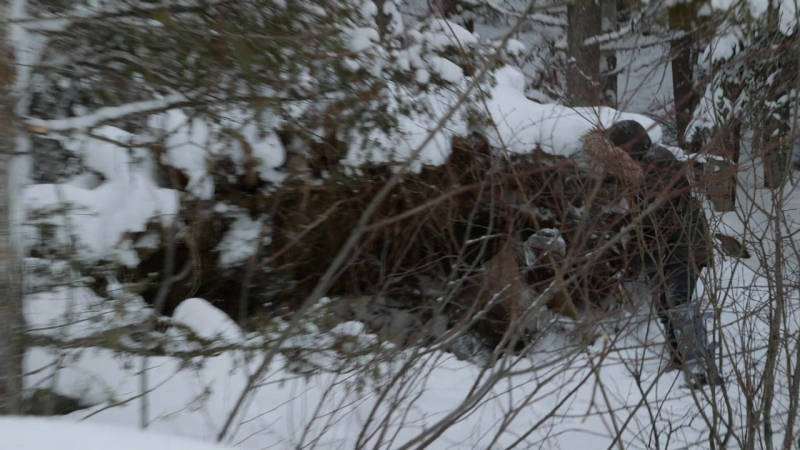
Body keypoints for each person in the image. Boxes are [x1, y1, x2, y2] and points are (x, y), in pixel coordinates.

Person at [608, 120, 721, 386]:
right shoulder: (645, 165)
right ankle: (682, 358)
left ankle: (702, 370)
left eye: (619, 150)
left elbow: (648, 220)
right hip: (667, 250)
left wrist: (633, 264)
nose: (617, 157)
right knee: (665, 306)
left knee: (676, 302)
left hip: (684, 246)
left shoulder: (656, 164)